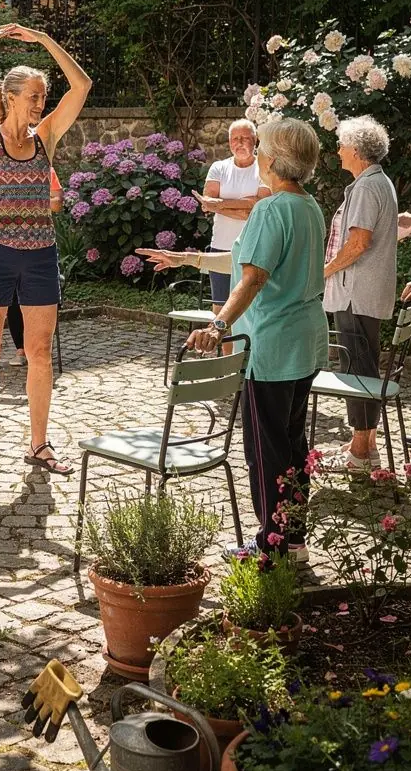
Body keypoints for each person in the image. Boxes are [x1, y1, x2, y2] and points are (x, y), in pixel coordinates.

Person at [140, 117, 329, 561]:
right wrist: (187, 258)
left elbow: (253, 277)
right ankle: (293, 538)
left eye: (262, 147)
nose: (258, 154)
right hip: (305, 342)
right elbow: (247, 260)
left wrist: (217, 325)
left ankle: (272, 543)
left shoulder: (270, 208)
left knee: (265, 449)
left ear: (275, 159)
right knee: (293, 441)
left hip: (272, 347)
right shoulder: (308, 206)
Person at [0, 24, 92, 481]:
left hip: (40, 254)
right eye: (32, 96)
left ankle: (39, 444)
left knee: (39, 350)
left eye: (43, 97)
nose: (40, 104)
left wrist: (45, 39)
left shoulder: (45, 136)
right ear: (9, 98)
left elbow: (82, 85)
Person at [322, 116, 398, 473]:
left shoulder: (368, 188)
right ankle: (364, 443)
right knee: (362, 366)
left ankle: (359, 453)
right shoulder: (375, 182)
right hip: (365, 292)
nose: (337, 151)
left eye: (341, 144)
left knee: (355, 370)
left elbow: (358, 243)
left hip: (356, 293)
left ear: (355, 150)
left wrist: (323, 273)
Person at [195, 119, 270, 317]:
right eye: (235, 138)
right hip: (220, 245)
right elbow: (207, 201)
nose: (240, 142)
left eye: (245, 138)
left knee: (252, 310)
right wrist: (242, 209)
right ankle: (224, 349)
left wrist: (219, 204)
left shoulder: (264, 169)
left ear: (255, 141)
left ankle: (248, 349)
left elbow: (259, 204)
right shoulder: (218, 168)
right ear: (229, 142)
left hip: (253, 249)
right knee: (221, 310)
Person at [5, 166, 64, 365]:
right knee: (13, 300)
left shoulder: (47, 170)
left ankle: (38, 348)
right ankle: (21, 349)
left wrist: (31, 201)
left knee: (40, 299)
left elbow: (57, 204)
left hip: (40, 245)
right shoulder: (5, 171)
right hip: (9, 245)